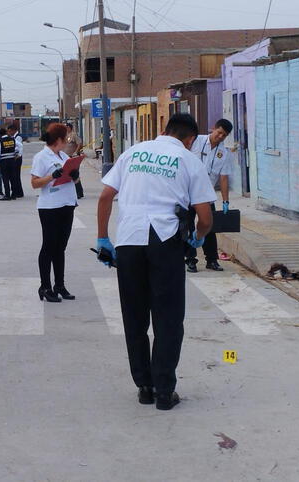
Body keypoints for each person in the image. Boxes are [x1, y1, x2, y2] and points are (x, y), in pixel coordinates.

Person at [96, 114, 216, 410]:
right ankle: (164, 390)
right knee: (168, 318)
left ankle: (145, 387)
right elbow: (205, 217)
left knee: (134, 316)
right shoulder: (188, 160)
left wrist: (103, 239)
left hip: (129, 240)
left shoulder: (133, 152)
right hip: (165, 240)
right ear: (189, 139)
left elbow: (105, 197)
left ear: (163, 130)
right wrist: (198, 239)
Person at [31, 123, 80, 303]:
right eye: (65, 138)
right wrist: (53, 176)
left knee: (61, 248)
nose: (67, 141)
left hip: (67, 204)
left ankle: (60, 285)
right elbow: (35, 183)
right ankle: (45, 286)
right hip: (50, 207)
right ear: (58, 139)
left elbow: (74, 180)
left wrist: (74, 175)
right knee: (49, 247)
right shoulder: (41, 157)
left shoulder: (64, 155)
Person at [185, 118, 234, 273]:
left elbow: (224, 177)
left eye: (224, 135)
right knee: (188, 226)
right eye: (219, 133)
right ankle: (190, 260)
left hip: (206, 194)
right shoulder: (195, 141)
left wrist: (226, 201)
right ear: (213, 128)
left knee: (209, 227)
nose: (220, 137)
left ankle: (212, 260)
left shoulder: (224, 153)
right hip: (188, 191)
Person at [0, 127, 17, 201]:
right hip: (12, 161)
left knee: (5, 178)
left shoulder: (0, 141)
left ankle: (7, 195)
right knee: (13, 178)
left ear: (0, 134)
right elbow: (18, 148)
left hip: (4, 162)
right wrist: (17, 154)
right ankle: (13, 195)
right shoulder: (12, 139)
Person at [65, 123, 84, 199]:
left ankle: (79, 193)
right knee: (68, 175)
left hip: (73, 157)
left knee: (75, 174)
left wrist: (76, 152)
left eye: (67, 127)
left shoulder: (73, 135)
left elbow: (79, 143)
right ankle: (72, 192)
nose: (65, 128)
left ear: (70, 128)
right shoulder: (64, 135)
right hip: (66, 158)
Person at [10, 124, 24, 198]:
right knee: (15, 176)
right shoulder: (13, 137)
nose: (9, 132)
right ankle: (18, 191)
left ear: (13, 130)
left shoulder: (18, 137)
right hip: (15, 157)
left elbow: (18, 147)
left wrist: (18, 155)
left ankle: (18, 192)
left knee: (16, 175)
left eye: (10, 131)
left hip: (17, 157)